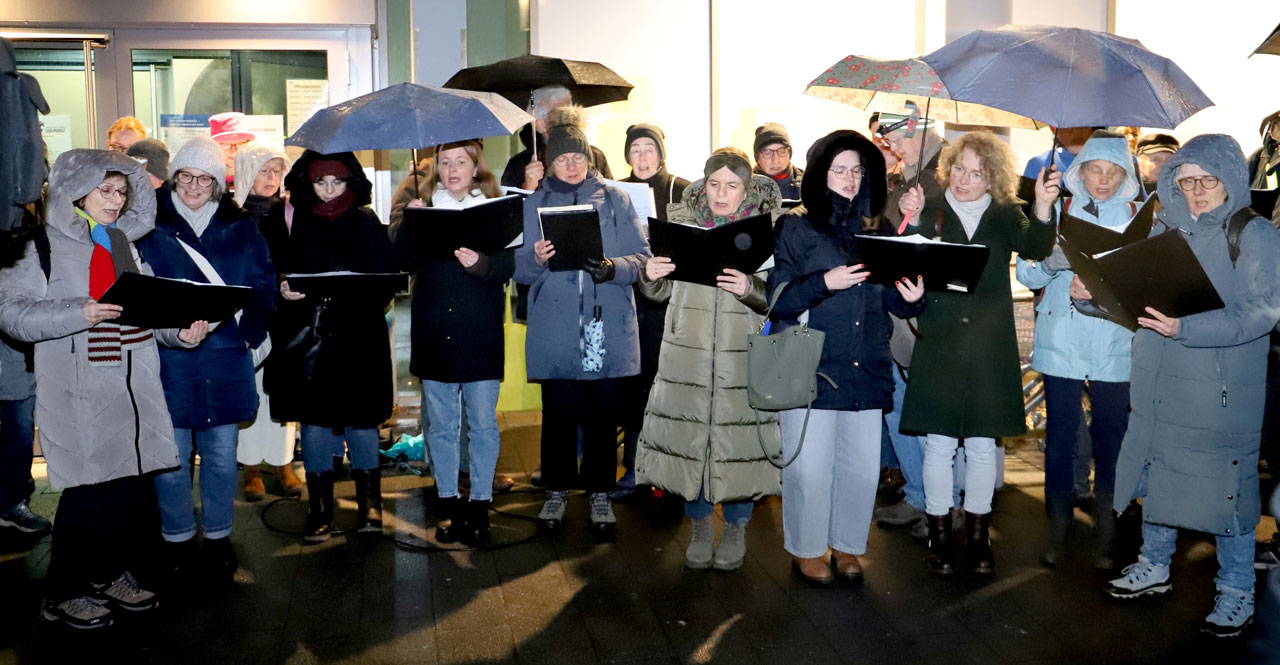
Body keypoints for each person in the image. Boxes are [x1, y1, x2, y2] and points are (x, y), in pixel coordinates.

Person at [0, 149, 208, 628]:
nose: (115, 201)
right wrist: (82, 312)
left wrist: (180, 333)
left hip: (134, 389)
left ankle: (107, 574)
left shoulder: (120, 244)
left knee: (126, 491)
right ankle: (62, 592)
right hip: (77, 389)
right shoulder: (39, 246)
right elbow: (11, 313)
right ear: (76, 191)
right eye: (105, 191)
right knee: (85, 493)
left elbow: (147, 309)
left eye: (121, 192)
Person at [1096, 134, 1280, 638]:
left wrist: (1188, 329)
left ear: (1230, 180)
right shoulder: (1164, 229)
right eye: (1186, 180)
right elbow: (1136, 298)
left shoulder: (1255, 233)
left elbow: (1262, 313)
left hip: (1220, 387)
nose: (1197, 191)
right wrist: (1091, 295)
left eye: (1208, 180)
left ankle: (1237, 588)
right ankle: (1154, 566)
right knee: (1162, 473)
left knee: (1229, 488)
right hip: (1161, 380)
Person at [897, 130, 1058, 576]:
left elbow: (1037, 248)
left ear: (995, 179)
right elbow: (899, 260)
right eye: (961, 170)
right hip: (940, 340)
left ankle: (979, 536)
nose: (966, 180)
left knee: (984, 446)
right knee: (939, 446)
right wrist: (907, 218)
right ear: (949, 168)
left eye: (979, 173)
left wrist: (1043, 205)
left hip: (989, 345)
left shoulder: (1007, 214)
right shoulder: (930, 210)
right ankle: (939, 535)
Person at [769, 130, 925, 584]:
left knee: (859, 468)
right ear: (820, 173)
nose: (850, 178)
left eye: (857, 170)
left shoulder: (876, 229)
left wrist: (913, 298)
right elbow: (779, 299)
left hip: (867, 363)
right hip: (813, 364)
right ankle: (807, 548)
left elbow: (893, 304)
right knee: (810, 468)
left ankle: (846, 546)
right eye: (839, 169)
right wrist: (825, 282)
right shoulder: (796, 225)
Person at [136, 137, 276, 584]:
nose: (194, 186)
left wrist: (248, 340)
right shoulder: (148, 222)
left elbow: (263, 288)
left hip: (223, 361)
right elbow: (136, 290)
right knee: (171, 460)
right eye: (187, 176)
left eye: (205, 178)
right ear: (175, 177)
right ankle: (176, 538)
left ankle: (218, 538)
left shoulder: (242, 227)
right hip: (168, 359)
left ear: (218, 183)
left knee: (219, 457)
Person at [635, 149, 782, 571]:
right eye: (715, 184)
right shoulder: (681, 228)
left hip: (741, 357)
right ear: (704, 185)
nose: (722, 193)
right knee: (691, 444)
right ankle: (699, 526)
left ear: (746, 188)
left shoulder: (766, 234)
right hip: (688, 356)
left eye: (732, 185)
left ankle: (736, 528)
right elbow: (656, 296)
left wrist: (750, 288)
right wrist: (651, 275)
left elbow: (778, 300)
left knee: (739, 444)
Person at [514, 114, 649, 536]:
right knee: (557, 413)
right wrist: (535, 258)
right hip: (555, 326)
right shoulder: (533, 203)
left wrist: (612, 268)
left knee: (602, 415)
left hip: (604, 323)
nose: (570, 165)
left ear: (589, 158)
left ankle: (600, 494)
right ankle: (555, 490)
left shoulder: (615, 199)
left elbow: (642, 259)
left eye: (578, 157)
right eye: (561, 159)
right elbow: (517, 270)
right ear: (549, 163)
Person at [1015, 130, 1140, 570]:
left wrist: (1108, 287)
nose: (1102, 180)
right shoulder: (1057, 212)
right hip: (1062, 341)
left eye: (1112, 172)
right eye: (1094, 170)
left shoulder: (1138, 218)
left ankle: (1108, 529)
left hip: (1114, 344)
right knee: (1060, 440)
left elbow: (1149, 284)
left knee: (1113, 439)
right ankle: (1058, 525)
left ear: (1126, 175)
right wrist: (1053, 263)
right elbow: (1028, 276)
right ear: (1079, 170)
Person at [262, 150, 394, 542]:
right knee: (315, 419)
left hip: (359, 335)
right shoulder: (288, 219)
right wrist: (282, 286)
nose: (330, 189)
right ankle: (320, 509)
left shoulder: (366, 221)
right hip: (311, 335)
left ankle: (371, 504)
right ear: (308, 182)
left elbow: (386, 279)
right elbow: (269, 269)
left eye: (337, 181)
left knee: (363, 419)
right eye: (321, 182)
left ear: (351, 181)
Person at [389, 140, 513, 546]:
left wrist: (482, 264)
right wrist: (411, 224)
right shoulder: (424, 207)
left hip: (479, 328)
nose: (454, 169)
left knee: (481, 423)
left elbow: (508, 268)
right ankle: (446, 504)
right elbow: (400, 262)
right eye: (445, 162)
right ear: (436, 168)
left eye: (462, 161)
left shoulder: (495, 208)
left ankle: (479, 504)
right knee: (441, 425)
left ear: (477, 167)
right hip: (434, 327)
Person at [617, 123, 691, 498]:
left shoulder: (683, 188)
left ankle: (674, 471)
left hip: (672, 303)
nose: (643, 157)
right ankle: (635, 468)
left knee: (672, 388)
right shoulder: (616, 191)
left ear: (661, 153)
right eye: (635, 150)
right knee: (635, 389)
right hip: (630, 301)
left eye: (649, 149)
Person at [230, 142, 303, 502]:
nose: (272, 178)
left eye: (277, 171)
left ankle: (283, 464)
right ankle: (252, 469)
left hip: (282, 313)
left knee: (281, 389)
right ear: (247, 172)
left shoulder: (288, 213)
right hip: (246, 314)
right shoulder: (231, 214)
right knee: (251, 389)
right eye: (264, 170)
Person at [501, 88, 611, 191]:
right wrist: (529, 187)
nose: (569, 120)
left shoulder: (595, 156)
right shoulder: (519, 164)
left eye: (571, 113)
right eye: (559, 115)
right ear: (540, 124)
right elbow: (509, 209)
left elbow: (612, 203)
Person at [877, 109, 945, 233]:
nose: (893, 148)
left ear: (923, 131)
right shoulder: (895, 175)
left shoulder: (954, 175)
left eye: (898, 140)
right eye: (888, 141)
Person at [752, 122, 803, 200]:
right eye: (767, 153)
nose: (775, 160)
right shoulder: (743, 187)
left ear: (789, 154)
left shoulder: (811, 183)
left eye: (782, 152)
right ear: (757, 157)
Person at [209, 112, 255, 187]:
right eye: (227, 144)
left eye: (240, 143)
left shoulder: (260, 173)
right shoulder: (205, 176)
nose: (234, 150)